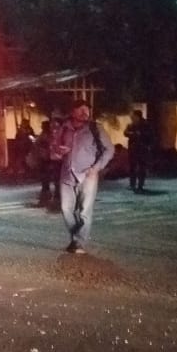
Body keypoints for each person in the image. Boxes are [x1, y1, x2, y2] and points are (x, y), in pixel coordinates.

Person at [55, 100, 114, 254]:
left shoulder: (95, 128)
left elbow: (109, 150)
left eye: (87, 110)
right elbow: (53, 149)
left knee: (84, 211)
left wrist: (96, 168)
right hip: (67, 174)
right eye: (81, 109)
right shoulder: (64, 128)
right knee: (65, 209)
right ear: (73, 112)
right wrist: (59, 151)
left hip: (88, 176)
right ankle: (76, 238)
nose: (84, 113)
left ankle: (79, 243)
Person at [124, 109, 155, 192]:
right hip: (133, 148)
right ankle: (132, 184)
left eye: (133, 116)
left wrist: (141, 135)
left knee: (142, 167)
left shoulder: (146, 125)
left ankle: (140, 185)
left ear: (137, 116)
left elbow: (151, 135)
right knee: (132, 167)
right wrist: (133, 134)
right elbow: (125, 133)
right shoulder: (131, 125)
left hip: (142, 148)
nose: (131, 117)